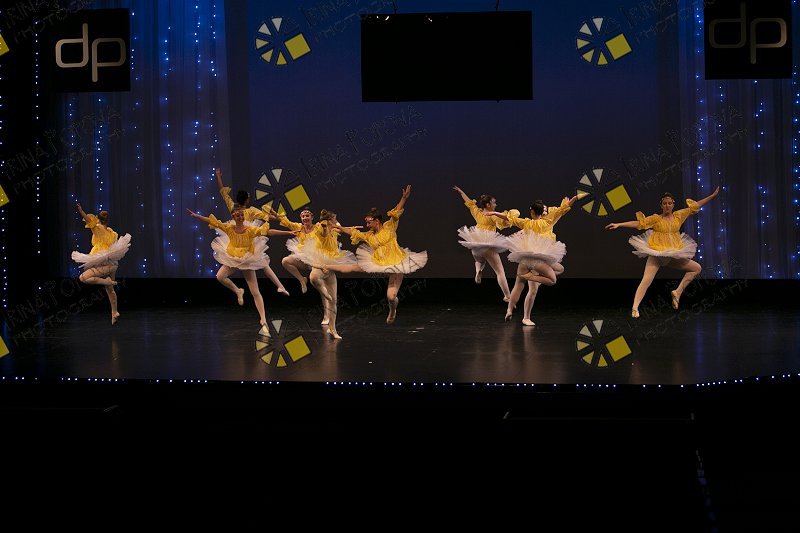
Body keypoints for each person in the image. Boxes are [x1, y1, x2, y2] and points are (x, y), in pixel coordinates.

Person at [605, 186, 720, 318]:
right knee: (646, 280)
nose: (667, 206)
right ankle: (635, 308)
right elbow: (638, 223)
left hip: (672, 255)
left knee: (696, 268)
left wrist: (711, 196)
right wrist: (619, 224)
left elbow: (696, 205)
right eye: (664, 203)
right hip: (657, 255)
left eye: (669, 203)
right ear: (661, 205)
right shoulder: (656, 219)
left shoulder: (679, 215)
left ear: (673, 204)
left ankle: (677, 292)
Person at [186, 205, 295, 335]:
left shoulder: (250, 230)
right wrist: (197, 216)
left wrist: (288, 233)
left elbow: (269, 231)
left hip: (247, 260)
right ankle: (238, 290)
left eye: (242, 215)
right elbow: (212, 222)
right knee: (220, 276)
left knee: (255, 291)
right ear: (233, 217)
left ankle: (263, 320)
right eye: (238, 215)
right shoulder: (229, 228)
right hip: (233, 258)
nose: (241, 217)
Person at [330, 185, 427, 324]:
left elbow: (396, 211)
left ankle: (392, 310)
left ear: (377, 221)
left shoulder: (389, 227)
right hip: (379, 263)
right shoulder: (369, 235)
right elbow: (352, 232)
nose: (367, 225)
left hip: (396, 263)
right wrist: (338, 227)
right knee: (352, 267)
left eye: (369, 222)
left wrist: (404, 198)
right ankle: (325, 266)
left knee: (391, 297)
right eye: (366, 222)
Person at [490, 195, 577, 325]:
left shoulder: (528, 223)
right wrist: (571, 201)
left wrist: (493, 213)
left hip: (527, 257)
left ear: (532, 212)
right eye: (544, 210)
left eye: (547, 210)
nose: (546, 212)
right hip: (537, 259)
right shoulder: (547, 222)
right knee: (534, 288)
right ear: (541, 212)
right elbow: (560, 211)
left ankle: (510, 310)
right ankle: (525, 317)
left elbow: (510, 218)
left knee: (555, 270)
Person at [215, 168, 289, 296]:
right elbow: (266, 217)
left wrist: (218, 176)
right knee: (263, 263)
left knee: (260, 263)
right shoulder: (251, 210)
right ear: (247, 200)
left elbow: (223, 193)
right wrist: (278, 217)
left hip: (239, 238)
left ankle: (279, 286)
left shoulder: (233, 207)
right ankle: (280, 286)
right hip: (248, 239)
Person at [288, 209, 358, 339]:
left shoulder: (335, 228)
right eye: (334, 219)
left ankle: (333, 329)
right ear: (328, 220)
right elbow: (324, 233)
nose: (336, 220)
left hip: (332, 263)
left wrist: (350, 229)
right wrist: (326, 226)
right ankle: (323, 292)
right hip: (320, 260)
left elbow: (342, 229)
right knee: (313, 277)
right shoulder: (320, 228)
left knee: (334, 301)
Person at [452, 186, 518, 302]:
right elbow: (504, 221)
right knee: (500, 272)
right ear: (488, 205)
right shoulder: (492, 216)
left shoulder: (477, 212)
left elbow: (469, 203)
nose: (496, 205)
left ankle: (478, 270)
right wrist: (506, 217)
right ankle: (507, 296)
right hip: (488, 246)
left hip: (475, 245)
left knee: (479, 261)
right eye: (494, 203)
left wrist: (461, 192)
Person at [71, 203, 132, 325]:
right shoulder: (112, 233)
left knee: (83, 278)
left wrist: (81, 211)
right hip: (111, 262)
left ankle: (107, 282)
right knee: (110, 290)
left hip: (100, 259)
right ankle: (114, 312)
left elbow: (89, 220)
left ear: (98, 219)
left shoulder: (97, 228)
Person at [274, 208, 318, 294]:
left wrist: (338, 227)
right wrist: (274, 213)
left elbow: (328, 229)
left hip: (315, 258)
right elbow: (286, 222)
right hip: (303, 257)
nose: (305, 218)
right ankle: (302, 280)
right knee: (285, 261)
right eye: (303, 216)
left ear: (312, 217)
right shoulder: (299, 227)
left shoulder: (317, 228)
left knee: (316, 279)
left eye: (307, 216)